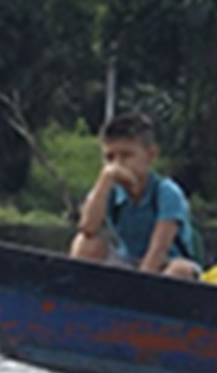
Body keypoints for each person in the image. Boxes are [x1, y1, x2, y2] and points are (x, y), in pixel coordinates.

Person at [69, 111, 202, 280]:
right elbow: (88, 228)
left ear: (150, 155)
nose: (117, 164)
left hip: (165, 266)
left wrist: (137, 288)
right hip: (129, 262)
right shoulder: (109, 190)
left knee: (180, 270)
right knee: (84, 244)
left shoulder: (167, 192)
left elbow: (158, 250)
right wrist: (105, 179)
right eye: (109, 158)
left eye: (126, 156)